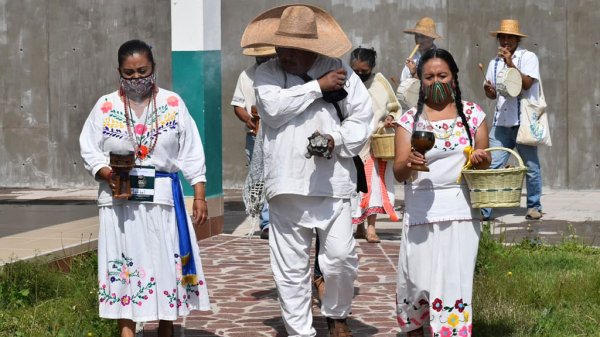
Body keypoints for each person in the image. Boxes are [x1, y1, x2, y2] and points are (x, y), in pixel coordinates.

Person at [241, 4, 373, 337]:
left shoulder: (341, 72)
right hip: (285, 184)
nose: (286, 53)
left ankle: (337, 314)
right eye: (282, 45)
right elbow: (271, 110)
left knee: (341, 258)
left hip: (334, 183)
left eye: (295, 47)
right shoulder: (268, 73)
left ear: (314, 46)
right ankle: (301, 332)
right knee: (290, 268)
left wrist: (336, 140)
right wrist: (318, 87)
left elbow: (362, 119)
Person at [79, 39, 210, 337]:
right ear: (119, 72)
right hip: (119, 202)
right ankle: (126, 329)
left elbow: (191, 151)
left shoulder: (173, 104)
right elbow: (88, 147)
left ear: (154, 68)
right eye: (129, 73)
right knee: (123, 263)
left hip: (161, 201)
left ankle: (166, 327)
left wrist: (199, 193)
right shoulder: (105, 105)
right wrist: (103, 170)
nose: (137, 78)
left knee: (163, 263)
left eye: (143, 70)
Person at [393, 48, 491, 337]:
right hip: (421, 210)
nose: (436, 81)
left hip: (461, 211)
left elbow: (483, 167)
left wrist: (480, 161)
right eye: (429, 76)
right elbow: (399, 172)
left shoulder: (473, 115)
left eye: (442, 75)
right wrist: (409, 162)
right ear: (420, 81)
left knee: (454, 283)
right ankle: (416, 330)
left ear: (454, 78)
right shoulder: (409, 120)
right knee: (417, 283)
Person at [482, 19, 543, 220]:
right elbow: (492, 95)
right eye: (503, 37)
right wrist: (489, 90)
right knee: (492, 166)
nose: (506, 41)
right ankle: (485, 210)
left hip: (522, 122)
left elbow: (525, 84)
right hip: (502, 121)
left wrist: (511, 63)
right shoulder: (493, 63)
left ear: (517, 40)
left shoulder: (528, 57)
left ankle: (534, 206)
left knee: (531, 167)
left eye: (510, 37)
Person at [349, 47, 400, 243]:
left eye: (364, 71)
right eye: (356, 71)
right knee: (355, 186)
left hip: (375, 142)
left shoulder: (380, 83)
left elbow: (394, 107)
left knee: (372, 186)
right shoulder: (346, 81)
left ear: (372, 67)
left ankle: (371, 228)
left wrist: (389, 118)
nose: (360, 75)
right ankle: (359, 227)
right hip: (353, 142)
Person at [231, 46, 277, 239]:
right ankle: (266, 222)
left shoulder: (281, 74)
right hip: (254, 135)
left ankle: (278, 220)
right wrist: (249, 120)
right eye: (261, 58)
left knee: (276, 175)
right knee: (259, 178)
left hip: (276, 135)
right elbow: (238, 105)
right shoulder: (246, 75)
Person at [399, 17, 441, 81]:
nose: (418, 40)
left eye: (423, 36)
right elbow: (403, 80)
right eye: (417, 36)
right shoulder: (414, 58)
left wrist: (415, 73)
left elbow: (434, 85)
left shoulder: (439, 58)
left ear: (432, 38)